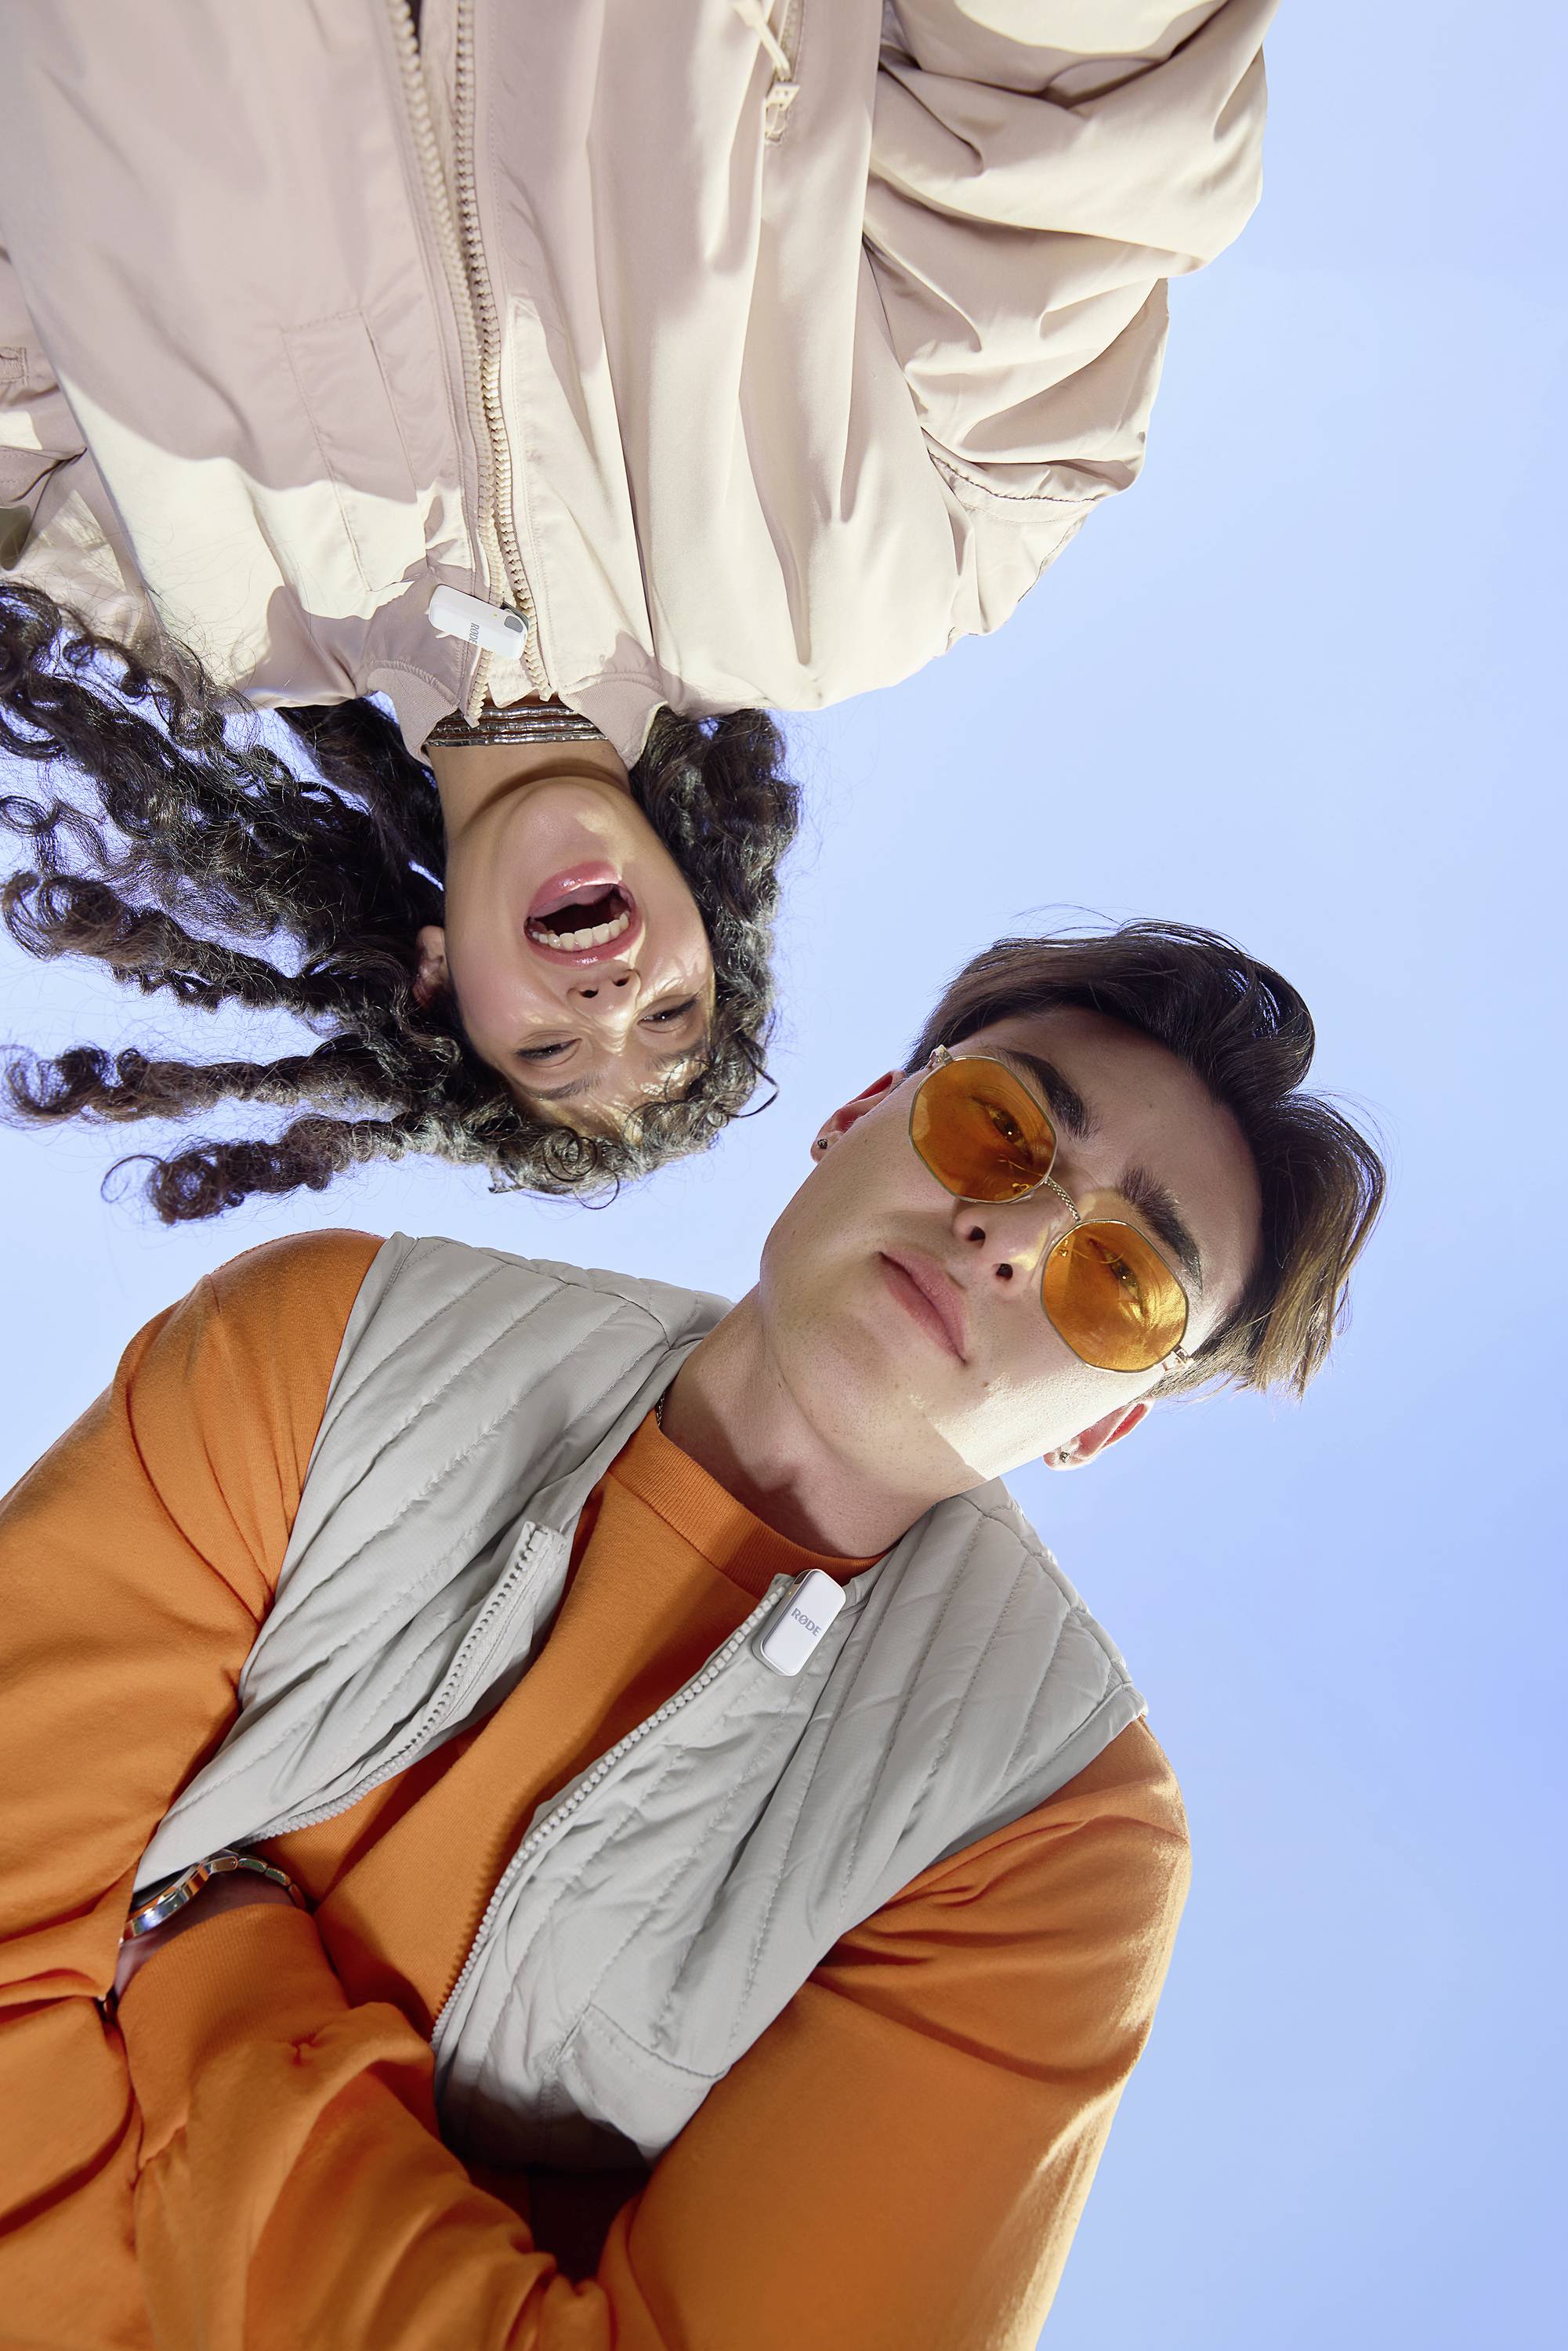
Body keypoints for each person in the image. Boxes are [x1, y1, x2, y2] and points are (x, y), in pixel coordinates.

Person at [0, 918, 1384, 2350]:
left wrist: (200, 1951)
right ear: (855, 1118)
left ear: (1100, 1422)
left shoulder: (1046, 1834)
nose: (1015, 1236)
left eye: (1121, 1282)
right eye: (999, 1127)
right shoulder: (331, 1347)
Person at [0, 0, 1275, 1212]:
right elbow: (1073, 146)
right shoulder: (886, 568)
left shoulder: (150, 587)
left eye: (552, 1050)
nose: (609, 997)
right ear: (710, 933)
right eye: (669, 1016)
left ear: (439, 984)